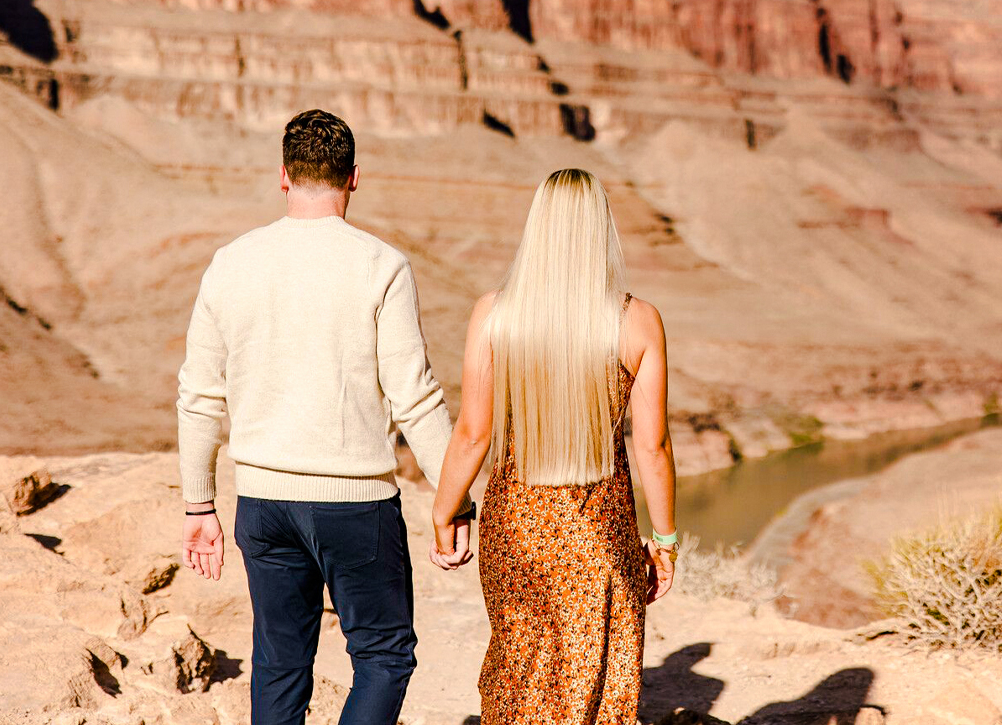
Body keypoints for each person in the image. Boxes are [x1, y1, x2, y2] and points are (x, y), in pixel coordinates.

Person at [175, 108, 472, 725]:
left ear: (283, 175)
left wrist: (199, 505)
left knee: (280, 664)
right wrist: (455, 502)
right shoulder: (381, 265)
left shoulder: (231, 262)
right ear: (354, 178)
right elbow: (414, 397)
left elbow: (199, 394)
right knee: (384, 656)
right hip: (356, 504)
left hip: (261, 503)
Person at [429, 167, 678, 725]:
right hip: (600, 534)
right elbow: (653, 446)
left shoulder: (495, 313)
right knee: (598, 689)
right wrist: (664, 540)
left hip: (516, 531)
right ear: (602, 229)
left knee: (520, 675)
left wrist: (445, 513)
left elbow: (473, 432)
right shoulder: (637, 321)